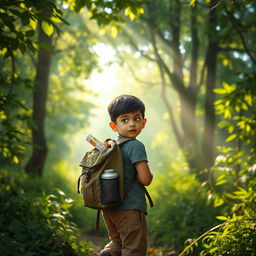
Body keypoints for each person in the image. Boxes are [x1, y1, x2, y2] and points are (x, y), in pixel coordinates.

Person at [100, 95, 153, 256]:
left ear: (143, 122)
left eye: (136, 118)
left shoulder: (109, 146)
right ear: (113, 125)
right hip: (130, 209)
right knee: (133, 249)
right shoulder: (135, 146)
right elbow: (145, 179)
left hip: (109, 209)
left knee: (118, 242)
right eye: (125, 120)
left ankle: (108, 253)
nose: (132, 123)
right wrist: (149, 175)